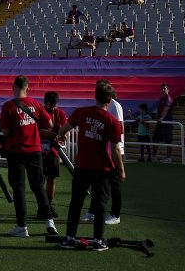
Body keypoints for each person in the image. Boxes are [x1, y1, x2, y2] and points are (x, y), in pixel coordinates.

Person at [57, 81, 125, 252]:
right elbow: (116, 149)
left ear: (95, 96)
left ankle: (70, 238)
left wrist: (62, 135)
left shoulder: (81, 112)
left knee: (76, 202)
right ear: (110, 100)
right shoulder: (112, 121)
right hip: (102, 168)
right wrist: (122, 169)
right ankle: (98, 240)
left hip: (82, 165)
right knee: (101, 204)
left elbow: (63, 129)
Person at [0, 75, 57, 238]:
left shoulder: (8, 106)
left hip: (16, 151)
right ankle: (49, 220)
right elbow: (49, 123)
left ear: (13, 87)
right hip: (35, 150)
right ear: (28, 88)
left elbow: (5, 131)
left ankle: (22, 226)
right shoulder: (36, 103)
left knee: (19, 189)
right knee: (38, 186)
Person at [83, 80, 124, 226]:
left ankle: (115, 213)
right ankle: (92, 210)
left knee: (114, 184)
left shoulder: (115, 106)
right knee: (96, 182)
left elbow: (121, 128)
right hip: (102, 149)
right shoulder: (98, 105)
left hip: (114, 149)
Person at [41, 91, 68, 218]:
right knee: (39, 180)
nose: (53, 108)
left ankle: (49, 205)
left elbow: (63, 131)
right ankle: (42, 206)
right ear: (45, 103)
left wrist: (63, 136)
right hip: (39, 151)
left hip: (54, 151)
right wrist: (48, 134)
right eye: (51, 105)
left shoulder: (60, 113)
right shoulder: (39, 112)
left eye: (55, 106)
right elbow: (35, 130)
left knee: (51, 179)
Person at [152, 84, 175, 163]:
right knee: (156, 139)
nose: (163, 90)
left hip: (166, 122)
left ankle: (169, 158)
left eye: (164, 88)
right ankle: (154, 156)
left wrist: (161, 118)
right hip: (160, 122)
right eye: (161, 88)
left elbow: (166, 109)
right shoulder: (161, 99)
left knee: (168, 140)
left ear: (168, 89)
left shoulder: (168, 99)